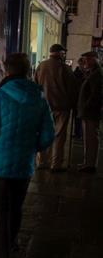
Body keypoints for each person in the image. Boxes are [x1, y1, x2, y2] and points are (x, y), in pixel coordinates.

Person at [0, 53, 55, 258]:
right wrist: (32, 148)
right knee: (16, 207)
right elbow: (49, 135)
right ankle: (12, 243)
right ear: (27, 71)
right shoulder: (39, 99)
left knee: (0, 210)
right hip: (23, 165)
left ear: (7, 71)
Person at [34, 44, 78, 172]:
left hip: (44, 106)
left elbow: (36, 84)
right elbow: (72, 89)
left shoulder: (41, 66)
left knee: (43, 133)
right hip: (62, 107)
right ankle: (55, 164)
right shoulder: (64, 68)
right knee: (59, 136)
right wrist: (73, 104)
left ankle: (42, 161)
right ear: (60, 54)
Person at [77, 51, 102, 173]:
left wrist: (86, 107)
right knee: (88, 138)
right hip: (88, 112)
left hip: (90, 113)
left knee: (91, 138)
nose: (85, 62)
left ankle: (90, 164)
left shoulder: (97, 74)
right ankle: (88, 162)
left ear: (94, 59)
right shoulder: (93, 73)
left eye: (87, 59)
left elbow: (96, 94)